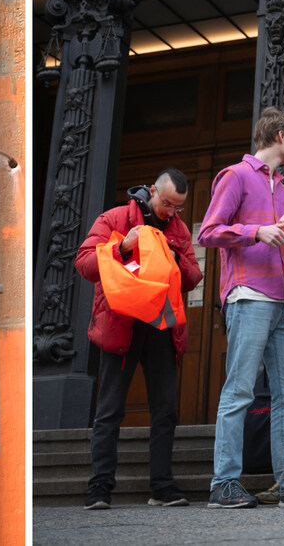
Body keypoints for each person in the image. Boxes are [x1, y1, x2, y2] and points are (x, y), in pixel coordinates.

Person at [199, 107, 284, 509]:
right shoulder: (236, 175)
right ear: (281, 135)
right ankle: (223, 483)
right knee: (240, 391)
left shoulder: (283, 190)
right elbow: (208, 232)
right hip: (250, 296)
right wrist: (254, 231)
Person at [74, 168, 202, 510]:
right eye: (167, 203)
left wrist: (174, 260)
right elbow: (84, 263)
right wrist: (122, 246)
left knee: (165, 410)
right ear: (151, 191)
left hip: (162, 327)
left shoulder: (179, 230)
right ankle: (99, 488)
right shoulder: (115, 218)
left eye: (178, 207)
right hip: (122, 325)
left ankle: (162, 487)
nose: (171, 212)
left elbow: (193, 276)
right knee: (110, 409)